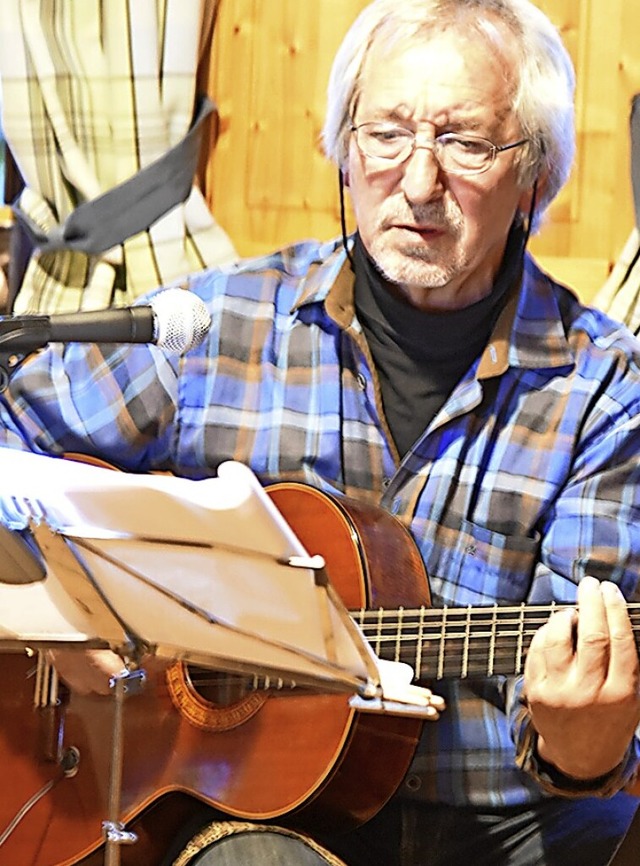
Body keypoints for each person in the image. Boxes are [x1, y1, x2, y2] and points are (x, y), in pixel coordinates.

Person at [0, 0, 639, 864]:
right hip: (246, 811)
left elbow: (578, 732)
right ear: (343, 150)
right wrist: (62, 618)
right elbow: (14, 435)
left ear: (536, 174)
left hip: (493, 828)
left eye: (465, 142)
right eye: (385, 134)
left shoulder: (603, 390)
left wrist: (583, 738)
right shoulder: (219, 321)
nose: (418, 182)